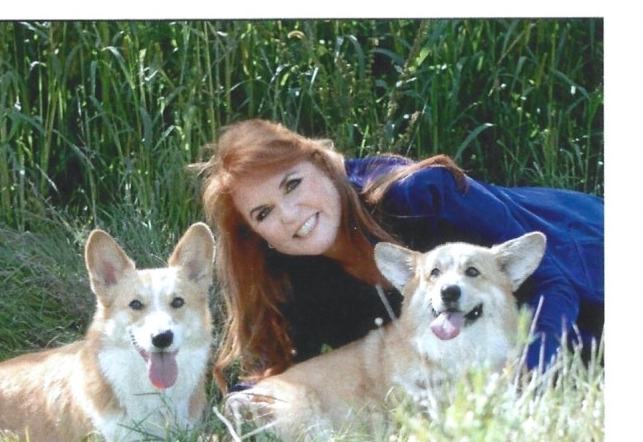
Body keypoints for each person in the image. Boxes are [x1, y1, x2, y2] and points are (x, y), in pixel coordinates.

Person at [196, 119, 604, 389]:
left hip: (587, 260)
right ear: (257, 235)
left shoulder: (420, 193)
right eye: (263, 213)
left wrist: (527, 374)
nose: (288, 214)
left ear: (322, 164)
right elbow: (291, 370)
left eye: (292, 184)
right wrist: (247, 401)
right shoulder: (297, 276)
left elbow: (552, 279)